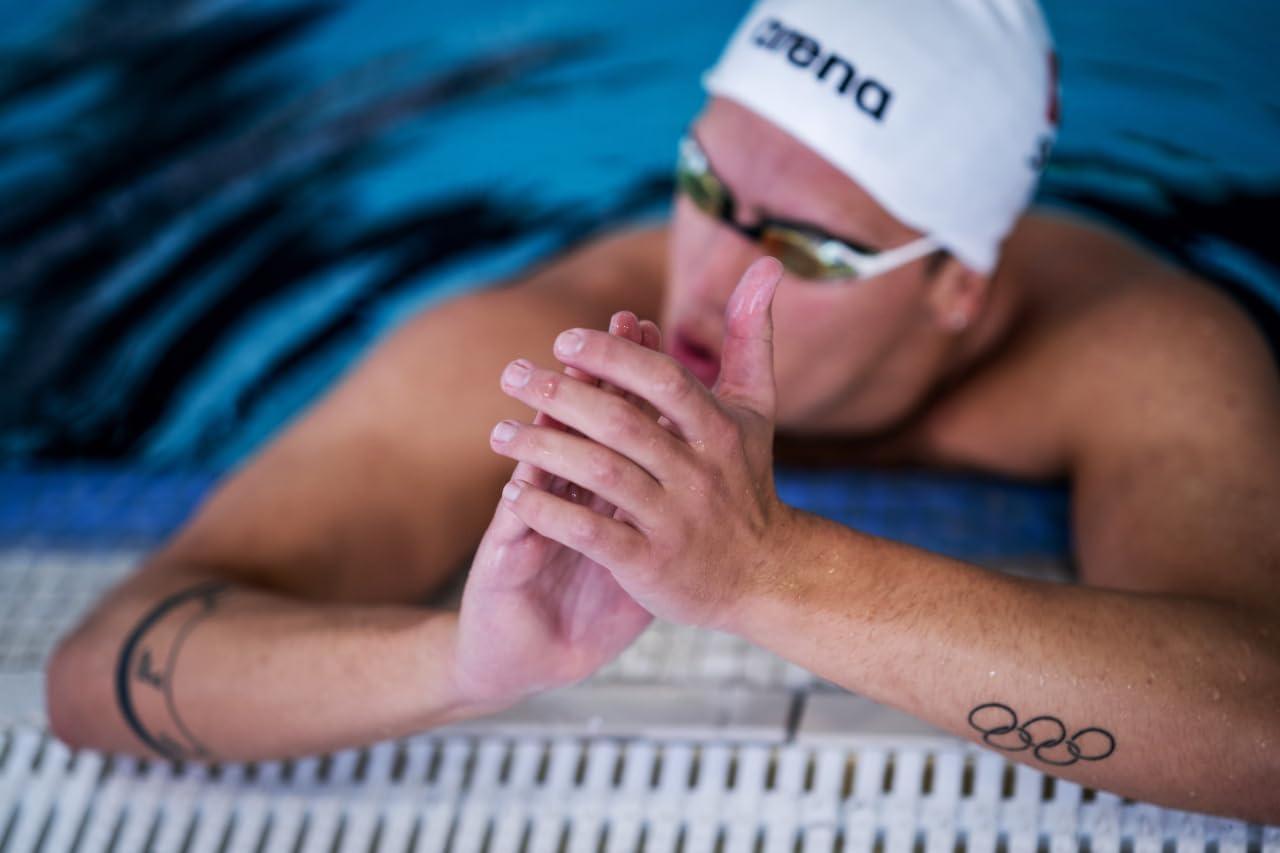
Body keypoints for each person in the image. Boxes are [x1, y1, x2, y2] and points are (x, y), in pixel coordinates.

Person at [46, 0, 1280, 823]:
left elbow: (1261, 736)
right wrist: (455, 666)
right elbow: (95, 678)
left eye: (798, 246)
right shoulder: (534, 348)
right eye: (701, 181)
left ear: (957, 285)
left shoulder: (1130, 351)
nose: (705, 274)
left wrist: (761, 571)